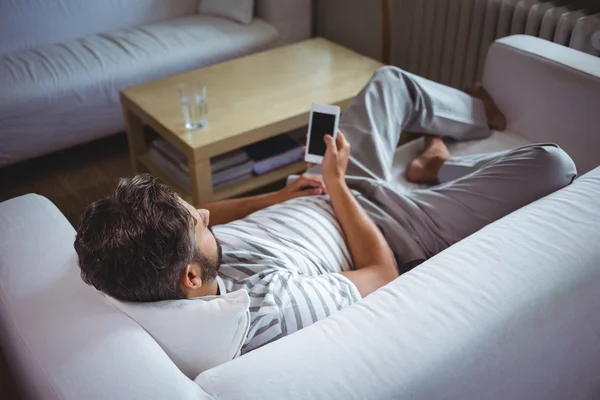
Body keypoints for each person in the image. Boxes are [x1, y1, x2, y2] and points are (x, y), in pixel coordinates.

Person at [74, 67, 576, 354]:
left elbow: (203, 211)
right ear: (189, 276)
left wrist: (279, 196)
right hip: (389, 223)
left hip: (322, 191)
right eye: (196, 222)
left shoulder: (159, 261)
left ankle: (459, 127)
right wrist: (337, 187)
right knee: (552, 164)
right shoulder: (268, 310)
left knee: (389, 82)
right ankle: (436, 168)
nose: (205, 215)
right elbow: (382, 272)